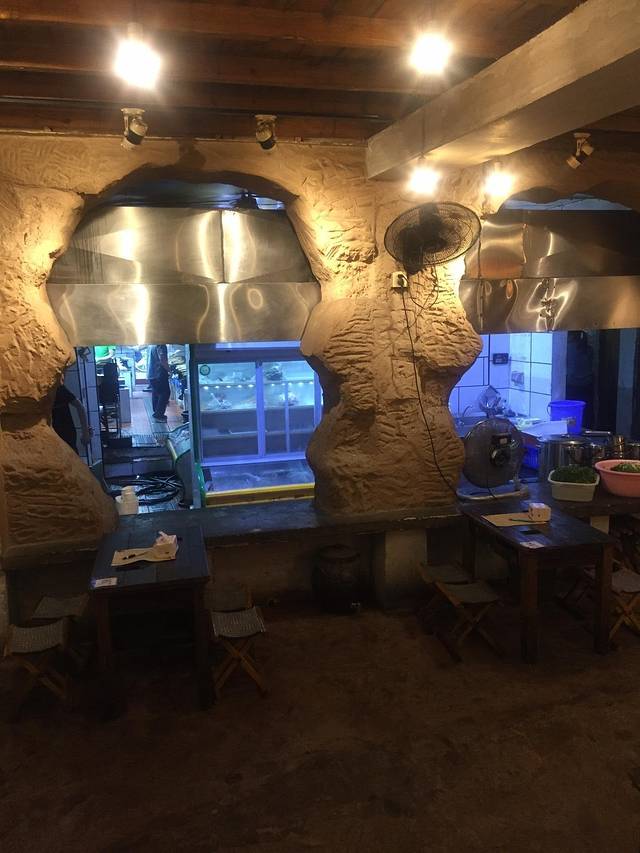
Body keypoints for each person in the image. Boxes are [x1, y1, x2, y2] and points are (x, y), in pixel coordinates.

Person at [52, 380, 92, 454]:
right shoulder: (58, 388)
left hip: (64, 434)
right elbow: (80, 407)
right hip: (65, 434)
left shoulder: (57, 388)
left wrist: (85, 433)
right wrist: (85, 433)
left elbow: (80, 407)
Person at [148, 344, 171, 422]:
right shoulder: (161, 345)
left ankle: (156, 412)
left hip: (152, 374)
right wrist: (170, 370)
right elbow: (163, 360)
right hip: (159, 374)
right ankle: (159, 415)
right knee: (165, 393)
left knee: (156, 393)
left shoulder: (153, 345)